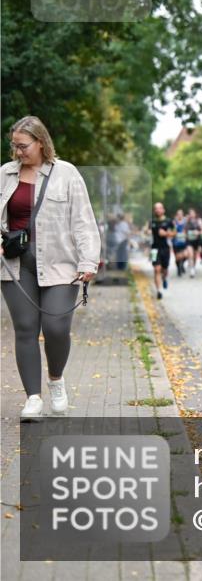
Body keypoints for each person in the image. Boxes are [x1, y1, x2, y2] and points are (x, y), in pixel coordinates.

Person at [1, 116, 101, 421]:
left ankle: (56, 380)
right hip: (15, 264)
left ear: (40, 143)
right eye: (14, 146)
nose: (17, 152)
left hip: (60, 262)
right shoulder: (5, 174)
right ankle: (33, 397)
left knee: (56, 328)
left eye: (23, 145)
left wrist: (88, 261)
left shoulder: (66, 173)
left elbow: (82, 220)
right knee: (26, 330)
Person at [149, 202, 175, 298]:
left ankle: (164, 278)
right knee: (156, 269)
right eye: (156, 208)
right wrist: (147, 232)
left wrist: (166, 234)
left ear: (163, 210)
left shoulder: (169, 221)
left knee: (164, 269)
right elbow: (146, 231)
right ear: (154, 210)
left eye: (159, 208)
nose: (158, 210)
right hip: (154, 249)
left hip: (165, 248)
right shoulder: (152, 222)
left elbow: (175, 233)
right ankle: (159, 291)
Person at [185, 208, 202, 278]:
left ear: (195, 214)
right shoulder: (186, 221)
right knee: (190, 254)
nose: (191, 215)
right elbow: (183, 231)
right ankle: (191, 268)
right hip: (189, 240)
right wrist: (185, 235)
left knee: (195, 256)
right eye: (190, 213)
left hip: (197, 240)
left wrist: (198, 232)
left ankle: (193, 266)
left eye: (193, 213)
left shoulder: (199, 221)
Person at [171, 209, 188, 277]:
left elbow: (188, 229)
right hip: (176, 242)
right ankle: (179, 269)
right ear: (176, 215)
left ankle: (182, 264)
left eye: (181, 214)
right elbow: (171, 231)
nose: (179, 215)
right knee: (177, 257)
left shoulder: (185, 221)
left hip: (184, 242)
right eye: (178, 214)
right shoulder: (174, 222)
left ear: (182, 214)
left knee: (185, 255)